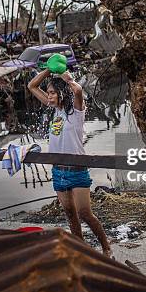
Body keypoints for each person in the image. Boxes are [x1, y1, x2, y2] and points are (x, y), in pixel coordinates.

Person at [28, 68, 112, 257]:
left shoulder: (76, 112)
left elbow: (79, 91)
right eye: (47, 93)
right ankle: (81, 249)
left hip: (77, 170)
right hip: (58, 171)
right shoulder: (55, 111)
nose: (48, 97)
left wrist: (67, 78)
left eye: (51, 93)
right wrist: (48, 70)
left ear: (61, 93)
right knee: (71, 215)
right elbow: (31, 85)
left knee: (85, 214)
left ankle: (106, 247)